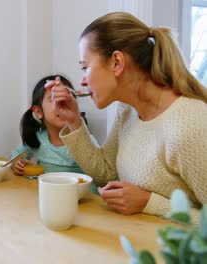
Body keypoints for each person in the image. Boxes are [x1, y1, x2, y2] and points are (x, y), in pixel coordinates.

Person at [48, 12, 207, 222]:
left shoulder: (191, 125)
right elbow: (106, 174)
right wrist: (73, 121)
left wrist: (150, 202)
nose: (82, 81)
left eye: (85, 67)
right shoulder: (128, 111)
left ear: (116, 62)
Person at [12, 75, 96, 176]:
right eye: (53, 99)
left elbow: (98, 176)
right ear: (38, 111)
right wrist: (17, 164)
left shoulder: (85, 141)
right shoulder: (38, 139)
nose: (61, 104)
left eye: (66, 99)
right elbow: (16, 156)